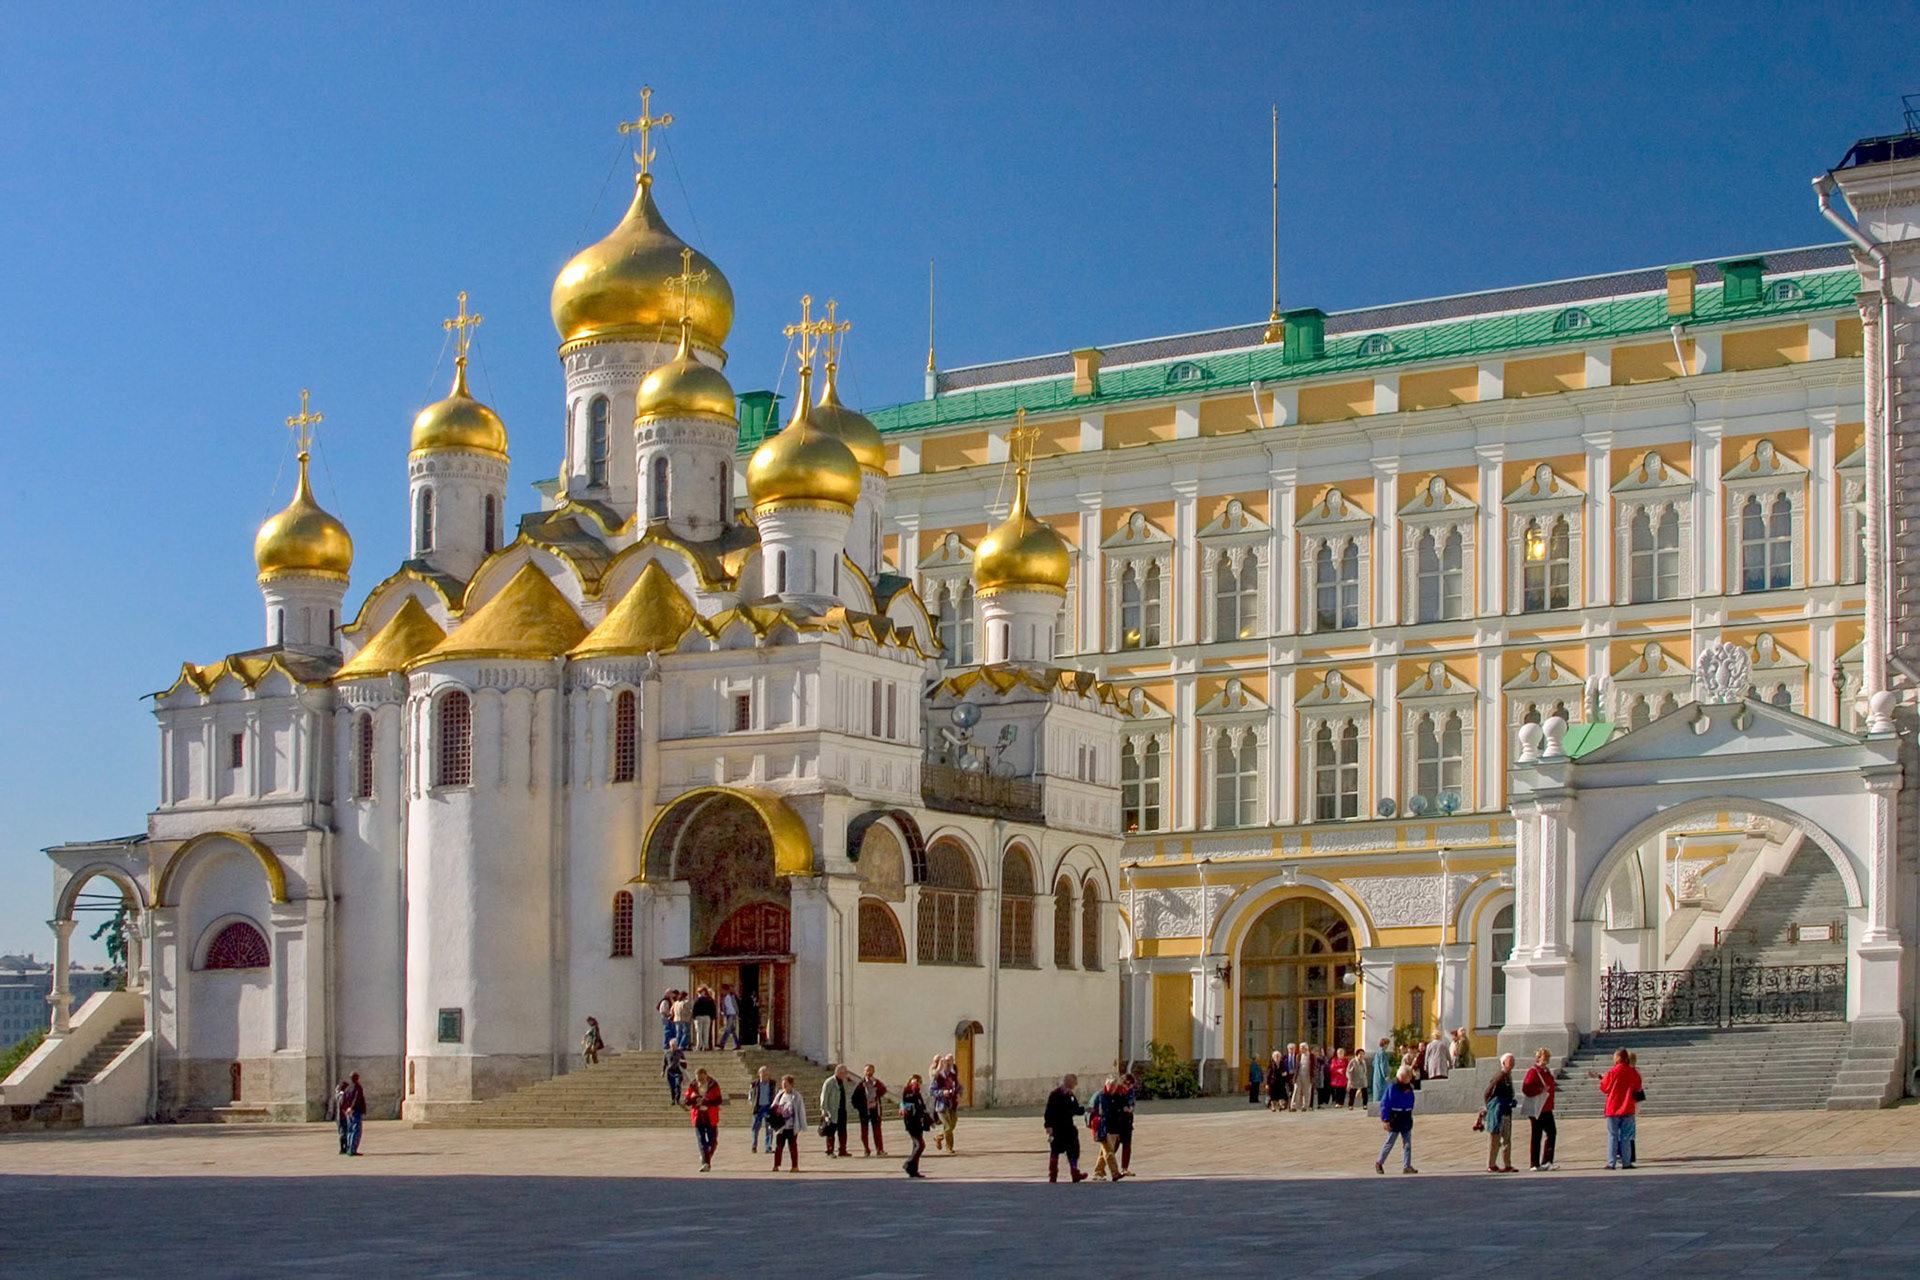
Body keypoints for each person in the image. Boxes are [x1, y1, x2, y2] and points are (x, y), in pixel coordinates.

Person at [1590, 1047, 1642, 1169]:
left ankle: (1611, 1162)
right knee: (1626, 1137)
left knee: (1613, 1136)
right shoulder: (1633, 1072)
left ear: (1618, 1058)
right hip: (1628, 1107)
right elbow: (1638, 1087)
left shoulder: (1613, 1072)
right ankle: (1626, 1162)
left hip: (1613, 1107)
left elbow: (1604, 1088)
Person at [1043, 1074, 1088, 1182]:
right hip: (1057, 1127)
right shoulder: (1055, 1094)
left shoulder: (1070, 1095)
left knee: (1073, 1149)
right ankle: (1053, 1174)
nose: (1076, 1084)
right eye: (1074, 1082)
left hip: (1068, 1127)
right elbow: (1048, 1112)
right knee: (1055, 1151)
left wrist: (1086, 1109)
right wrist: (1048, 1126)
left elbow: (1076, 1110)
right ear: (1068, 1082)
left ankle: (1074, 1172)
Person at [1375, 1065, 1417, 1174]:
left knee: (1407, 1143)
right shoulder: (1392, 1087)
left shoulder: (1409, 1088)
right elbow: (1385, 1104)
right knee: (1390, 1142)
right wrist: (1385, 1119)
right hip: (1395, 1118)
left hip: (1406, 1117)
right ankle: (1379, 1162)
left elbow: (1411, 1101)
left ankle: (1407, 1166)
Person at [1521, 1047, 1558, 1171]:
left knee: (1552, 1132)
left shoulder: (1547, 1071)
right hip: (1538, 1108)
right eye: (1544, 1058)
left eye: (1548, 1058)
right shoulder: (1533, 1072)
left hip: (1547, 1107)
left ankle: (1548, 1160)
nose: (1546, 1060)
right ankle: (1534, 1163)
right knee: (1536, 1135)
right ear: (1538, 1058)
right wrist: (1539, 1091)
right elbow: (1526, 1088)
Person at [1482, 1052, 1518, 1173]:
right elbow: (1488, 1093)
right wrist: (1489, 1107)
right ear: (1503, 1063)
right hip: (1498, 1112)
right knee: (1495, 1139)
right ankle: (1491, 1164)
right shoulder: (1499, 1077)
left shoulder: (1508, 1076)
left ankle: (1507, 1164)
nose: (1512, 1063)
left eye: (1513, 1061)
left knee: (1506, 1139)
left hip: (1506, 1111)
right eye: (1510, 1061)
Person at [1088, 1076, 1128, 1181]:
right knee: (1109, 1151)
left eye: (1113, 1085)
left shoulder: (1118, 1096)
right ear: (1106, 1084)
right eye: (1110, 1085)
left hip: (1114, 1128)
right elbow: (1090, 1111)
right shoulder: (1100, 1096)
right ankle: (1115, 1173)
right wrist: (1093, 1123)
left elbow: (1121, 1111)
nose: (1111, 1087)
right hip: (1102, 1128)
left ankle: (1098, 1173)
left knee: (1104, 1152)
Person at [684, 1066, 723, 1171]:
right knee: (702, 1140)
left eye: (702, 1079)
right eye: (698, 1079)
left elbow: (718, 1100)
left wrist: (705, 1101)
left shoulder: (713, 1085)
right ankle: (705, 1163)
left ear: (706, 1076)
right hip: (698, 1116)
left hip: (711, 1116)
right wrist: (693, 1099)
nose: (700, 1081)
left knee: (712, 1141)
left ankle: (707, 1157)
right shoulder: (693, 1085)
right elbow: (686, 1100)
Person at [768, 1073, 805, 1172]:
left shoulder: (796, 1096)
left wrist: (802, 1125)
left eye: (786, 1084)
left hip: (792, 1126)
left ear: (791, 1084)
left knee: (792, 1146)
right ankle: (776, 1165)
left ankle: (795, 1166)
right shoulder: (780, 1095)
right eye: (783, 1084)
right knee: (779, 1146)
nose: (784, 1086)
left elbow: (800, 1111)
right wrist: (776, 1111)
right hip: (781, 1125)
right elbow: (773, 1107)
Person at [899, 1074, 932, 1178]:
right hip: (911, 1122)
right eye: (915, 1080)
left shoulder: (918, 1093)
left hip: (918, 1122)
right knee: (920, 1145)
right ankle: (908, 1164)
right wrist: (914, 1090)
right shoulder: (908, 1091)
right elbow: (907, 1101)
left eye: (918, 1081)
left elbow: (921, 1106)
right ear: (910, 1081)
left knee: (915, 1146)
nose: (916, 1082)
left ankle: (913, 1171)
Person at [854, 1064, 889, 1156]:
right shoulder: (861, 1083)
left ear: (873, 1071)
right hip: (864, 1111)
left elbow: (884, 1090)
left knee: (877, 1130)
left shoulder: (876, 1082)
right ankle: (866, 1149)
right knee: (864, 1131)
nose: (868, 1072)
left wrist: (876, 1085)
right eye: (866, 1070)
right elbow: (854, 1097)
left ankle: (879, 1149)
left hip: (874, 1109)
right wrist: (860, 1107)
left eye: (870, 1070)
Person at [819, 1064, 853, 1158]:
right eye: (844, 1072)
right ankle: (830, 1151)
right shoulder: (829, 1082)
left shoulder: (843, 1082)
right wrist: (824, 1110)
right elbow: (824, 1096)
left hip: (842, 1110)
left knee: (842, 1131)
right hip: (832, 1111)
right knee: (831, 1131)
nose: (846, 1074)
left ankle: (842, 1150)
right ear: (839, 1072)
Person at [931, 1056, 961, 1152]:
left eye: (950, 1061)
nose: (948, 1064)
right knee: (948, 1126)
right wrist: (942, 1093)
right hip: (942, 1105)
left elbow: (958, 1086)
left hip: (952, 1104)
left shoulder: (953, 1076)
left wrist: (959, 1093)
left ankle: (938, 1137)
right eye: (946, 1062)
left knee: (952, 1124)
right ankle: (949, 1148)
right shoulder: (938, 1077)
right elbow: (932, 1091)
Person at [747, 1065, 776, 1154]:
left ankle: (768, 1147)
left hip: (768, 1107)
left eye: (766, 1074)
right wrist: (752, 1104)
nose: (764, 1076)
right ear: (759, 1074)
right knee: (755, 1128)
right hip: (758, 1107)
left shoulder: (772, 1084)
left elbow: (775, 1094)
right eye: (762, 1074)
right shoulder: (754, 1084)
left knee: (769, 1128)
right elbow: (750, 1096)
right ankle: (754, 1145)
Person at [340, 1072, 366, 1157]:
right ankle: (353, 1149)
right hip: (355, 1111)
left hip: (348, 1112)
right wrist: (352, 1108)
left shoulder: (347, 1088)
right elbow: (357, 1099)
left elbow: (343, 1100)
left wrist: (346, 1109)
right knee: (356, 1130)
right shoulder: (357, 1087)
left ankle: (349, 1149)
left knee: (350, 1130)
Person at [691, 986, 717, 1051]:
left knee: (699, 1032)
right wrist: (713, 1016)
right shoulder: (710, 999)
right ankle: (706, 1045)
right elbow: (713, 1009)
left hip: (699, 1017)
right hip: (707, 1017)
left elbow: (694, 1009)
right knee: (706, 1032)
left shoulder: (697, 1000)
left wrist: (693, 1017)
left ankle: (699, 1045)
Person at [1371, 1038, 1393, 1111]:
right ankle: (1380, 1108)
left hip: (1376, 1075)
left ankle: (1375, 1106)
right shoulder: (1383, 1053)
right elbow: (1383, 1065)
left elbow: (1373, 1064)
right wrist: (1386, 1075)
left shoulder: (1377, 1053)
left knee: (1377, 1090)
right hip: (1381, 1076)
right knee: (1382, 1091)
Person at [662, 1041, 686, 1106]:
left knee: (678, 1085)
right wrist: (663, 1071)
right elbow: (665, 1063)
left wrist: (684, 1069)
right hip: (670, 1071)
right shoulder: (667, 1053)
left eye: (674, 1045)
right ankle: (673, 1100)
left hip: (678, 1071)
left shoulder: (680, 1052)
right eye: (672, 1045)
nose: (673, 1047)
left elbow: (684, 1062)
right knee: (672, 1087)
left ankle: (677, 1099)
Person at [332, 1080, 351, 1155]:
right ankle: (343, 1148)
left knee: (341, 1131)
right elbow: (344, 1106)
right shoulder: (342, 1096)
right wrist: (347, 1112)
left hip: (337, 1117)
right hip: (342, 1116)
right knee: (344, 1132)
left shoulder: (336, 1096)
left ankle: (343, 1148)